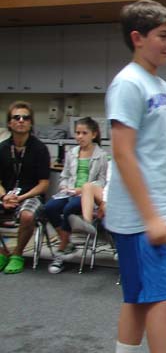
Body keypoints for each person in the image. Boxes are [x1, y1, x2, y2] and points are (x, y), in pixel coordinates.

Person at [101, 0, 166, 353]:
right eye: (163, 36)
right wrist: (152, 217)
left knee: (139, 298)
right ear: (138, 38)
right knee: (163, 299)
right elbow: (123, 154)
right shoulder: (128, 83)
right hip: (140, 218)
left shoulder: (165, 88)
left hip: (160, 212)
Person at [44, 117, 108, 274]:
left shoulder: (101, 155)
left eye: (84, 133)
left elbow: (102, 181)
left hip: (87, 195)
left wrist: (82, 190)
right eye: (77, 133)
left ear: (93, 134)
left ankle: (61, 250)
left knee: (70, 208)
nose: (80, 136)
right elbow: (64, 176)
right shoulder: (71, 153)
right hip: (69, 192)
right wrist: (64, 186)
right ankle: (67, 242)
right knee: (50, 207)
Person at [0, 101, 50, 274]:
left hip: (31, 197)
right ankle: (2, 252)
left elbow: (44, 184)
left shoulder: (40, 149)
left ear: (31, 123)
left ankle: (17, 254)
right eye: (16, 117)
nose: (21, 120)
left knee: (27, 215)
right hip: (7, 196)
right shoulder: (2, 149)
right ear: (9, 123)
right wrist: (4, 197)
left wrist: (20, 198)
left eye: (25, 118)